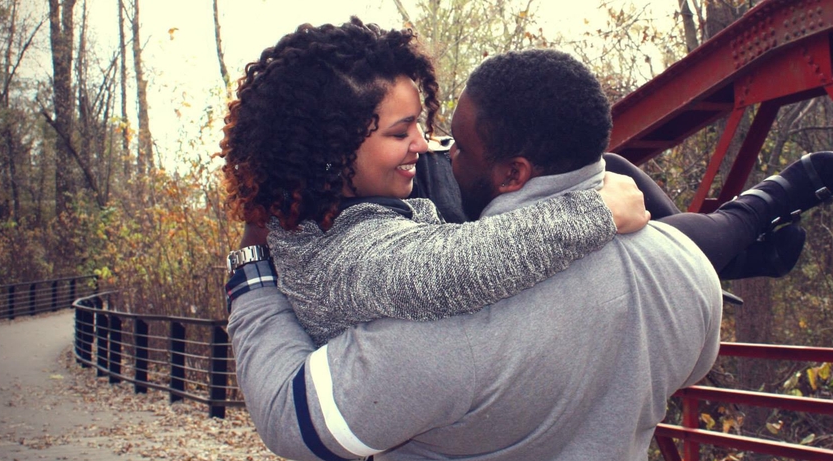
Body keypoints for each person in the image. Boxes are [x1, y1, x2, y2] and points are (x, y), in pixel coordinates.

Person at [227, 45, 724, 461]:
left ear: (513, 174)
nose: (432, 149)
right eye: (402, 132)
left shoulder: (433, 326)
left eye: (458, 146)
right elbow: (692, 367)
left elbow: (290, 416)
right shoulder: (687, 266)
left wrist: (251, 275)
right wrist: (594, 210)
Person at [217, 18, 650, 346]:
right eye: (400, 133)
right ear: (333, 150)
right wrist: (598, 211)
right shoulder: (342, 258)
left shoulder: (326, 221)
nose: (423, 145)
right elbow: (459, 266)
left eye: (418, 124)